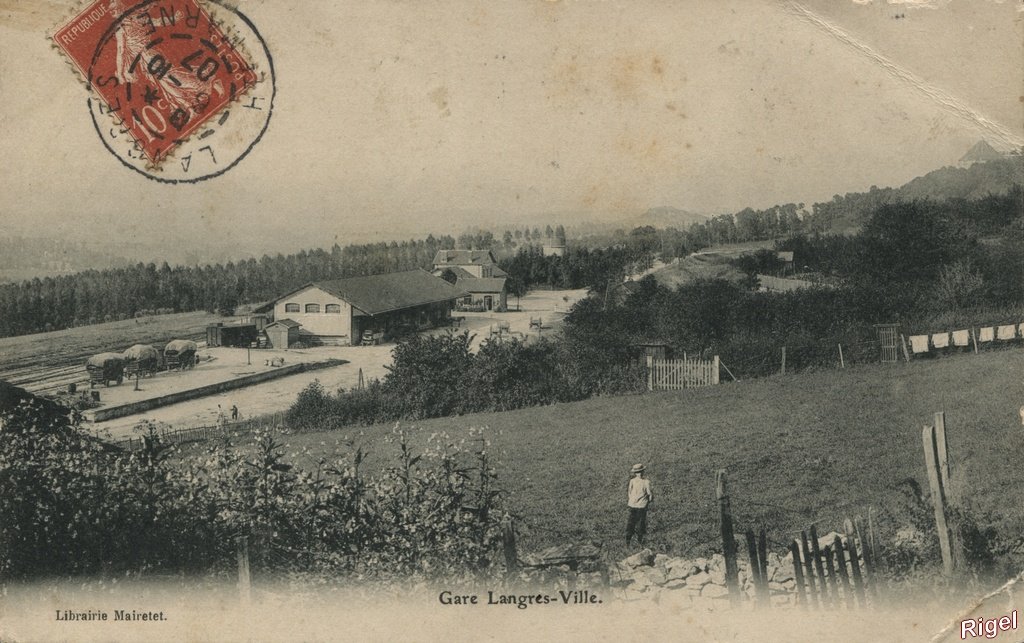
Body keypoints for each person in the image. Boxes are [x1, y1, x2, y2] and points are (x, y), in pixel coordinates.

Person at [626, 463, 653, 547]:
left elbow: (649, 494)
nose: (639, 474)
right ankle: (632, 542)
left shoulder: (642, 482)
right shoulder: (637, 481)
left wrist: (643, 502)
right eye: (638, 472)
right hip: (636, 505)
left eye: (640, 472)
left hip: (637, 505)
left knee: (636, 523)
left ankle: (635, 542)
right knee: (635, 524)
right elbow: (629, 492)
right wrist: (634, 500)